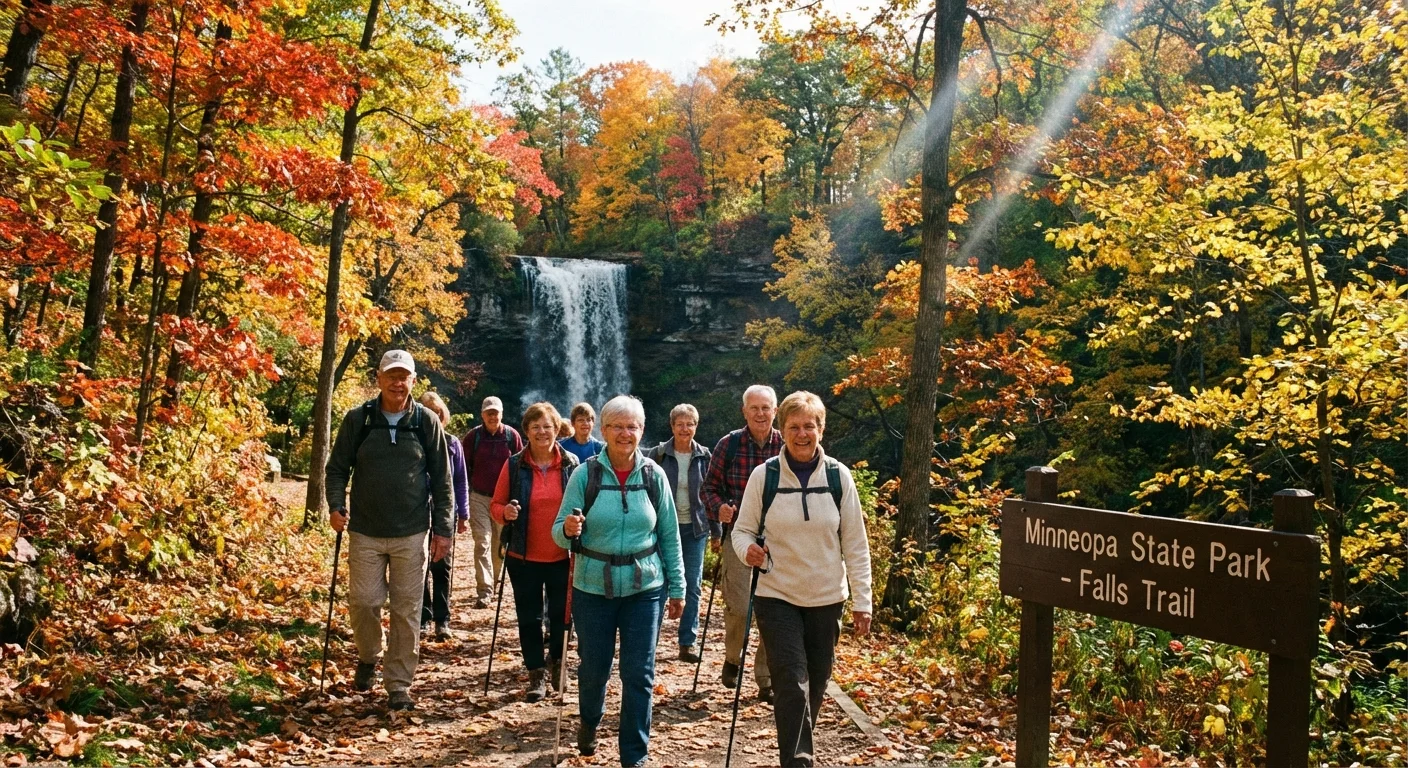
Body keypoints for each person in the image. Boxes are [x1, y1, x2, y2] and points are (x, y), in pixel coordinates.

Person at [732, 390, 872, 767]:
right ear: (783, 429)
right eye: (793, 426)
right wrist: (749, 551)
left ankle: (799, 747)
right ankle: (798, 762)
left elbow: (856, 542)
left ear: (821, 430)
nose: (802, 433)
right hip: (777, 595)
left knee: (816, 681)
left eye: (809, 425)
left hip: (827, 597)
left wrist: (863, 600)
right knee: (791, 683)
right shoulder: (766, 476)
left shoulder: (838, 477)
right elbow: (741, 531)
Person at [553, 395, 686, 767]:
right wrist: (567, 528)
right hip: (592, 587)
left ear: (642, 430)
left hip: (645, 589)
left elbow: (670, 536)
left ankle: (635, 755)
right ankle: (590, 721)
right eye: (617, 426)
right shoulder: (585, 474)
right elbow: (558, 534)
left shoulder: (653, 475)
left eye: (632, 426)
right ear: (603, 430)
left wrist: (679, 587)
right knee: (594, 669)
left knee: (639, 672)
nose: (625, 433)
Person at [325, 350, 454, 711]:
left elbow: (443, 481)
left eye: (405, 377)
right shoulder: (358, 420)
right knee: (364, 603)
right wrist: (335, 506)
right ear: (378, 378)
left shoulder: (427, 422)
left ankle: (399, 684)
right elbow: (336, 469)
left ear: (414, 381)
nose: (398, 383)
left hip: (412, 531)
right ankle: (369, 654)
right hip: (365, 530)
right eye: (391, 375)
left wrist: (443, 530)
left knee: (407, 609)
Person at [490, 402, 578, 702]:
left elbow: (584, 507)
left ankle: (557, 663)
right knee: (529, 618)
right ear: (526, 431)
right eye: (536, 427)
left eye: (548, 426)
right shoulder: (514, 465)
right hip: (522, 556)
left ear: (557, 429)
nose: (542, 432)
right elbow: (495, 506)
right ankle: (535, 673)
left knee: (561, 617)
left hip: (562, 556)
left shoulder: (571, 464)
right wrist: (507, 514)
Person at [701, 384, 782, 702]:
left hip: (779, 539)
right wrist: (717, 508)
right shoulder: (729, 445)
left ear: (775, 411)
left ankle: (765, 677)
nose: (761, 413)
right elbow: (708, 488)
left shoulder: (788, 445)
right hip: (739, 534)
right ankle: (733, 658)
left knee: (772, 608)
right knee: (737, 606)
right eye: (755, 408)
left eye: (766, 408)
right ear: (744, 411)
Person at [643, 403, 716, 663]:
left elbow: (711, 495)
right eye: (680, 424)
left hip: (695, 529)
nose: (685, 429)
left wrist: (717, 532)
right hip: (662, 528)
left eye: (690, 424)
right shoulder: (657, 454)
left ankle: (687, 642)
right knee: (658, 583)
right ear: (672, 426)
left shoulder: (705, 456)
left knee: (692, 586)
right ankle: (649, 640)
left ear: (696, 426)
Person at [462, 396, 524, 609]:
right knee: (482, 542)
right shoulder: (473, 437)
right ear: (482, 414)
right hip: (479, 497)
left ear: (502, 414)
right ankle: (485, 589)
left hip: (503, 499)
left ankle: (494, 582)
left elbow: (520, 466)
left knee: (500, 545)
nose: (492, 416)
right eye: (488, 412)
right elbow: (464, 468)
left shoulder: (511, 436)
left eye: (495, 412)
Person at [418, 392, 470, 640]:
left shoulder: (452, 443)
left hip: (444, 511)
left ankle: (443, 619)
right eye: (429, 411)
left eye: (438, 413)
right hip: (416, 511)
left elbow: (460, 481)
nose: (435, 417)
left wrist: (463, 513)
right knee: (420, 565)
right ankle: (423, 617)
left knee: (442, 566)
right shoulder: (413, 440)